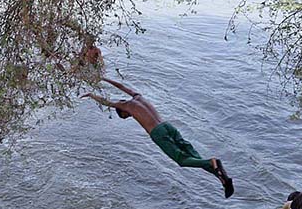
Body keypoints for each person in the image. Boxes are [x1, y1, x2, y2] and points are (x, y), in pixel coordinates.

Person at [81, 77, 234, 198]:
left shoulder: (125, 107)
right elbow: (121, 86)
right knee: (194, 156)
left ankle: (212, 162)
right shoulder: (138, 96)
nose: (128, 116)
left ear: (124, 113)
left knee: (181, 160)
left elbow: (106, 102)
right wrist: (104, 78)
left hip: (158, 133)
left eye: (126, 117)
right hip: (168, 126)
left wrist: (91, 95)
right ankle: (222, 179)